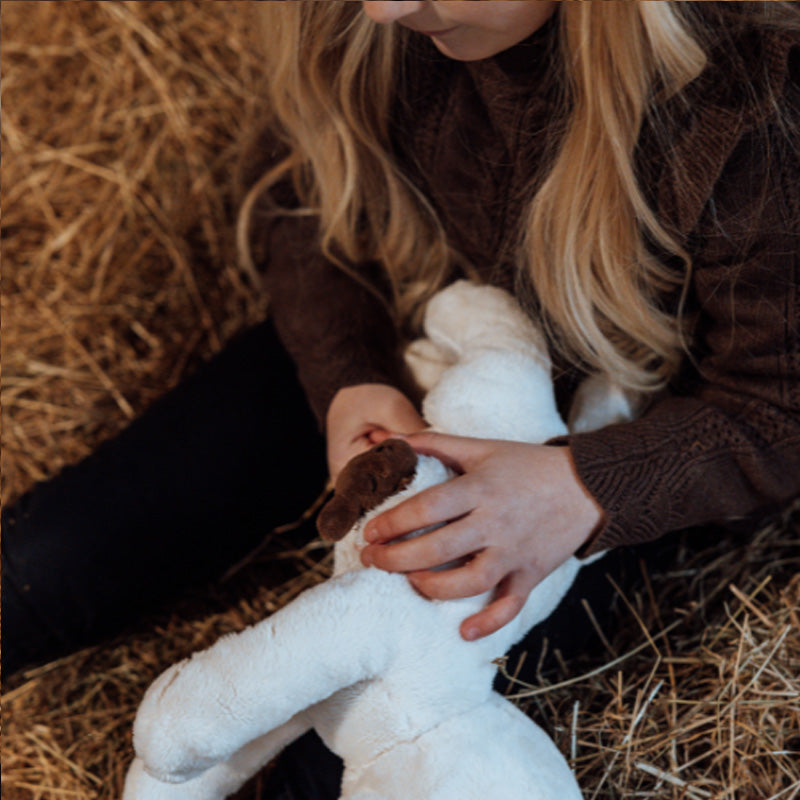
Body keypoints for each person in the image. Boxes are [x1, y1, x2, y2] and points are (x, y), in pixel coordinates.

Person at [2, 1, 798, 797]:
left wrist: (585, 488)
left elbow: (778, 409)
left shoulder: (753, 100)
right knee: (49, 560)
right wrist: (347, 376)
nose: (386, 6)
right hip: (410, 337)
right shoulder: (373, 21)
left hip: (625, 442)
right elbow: (302, 182)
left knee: (353, 747)